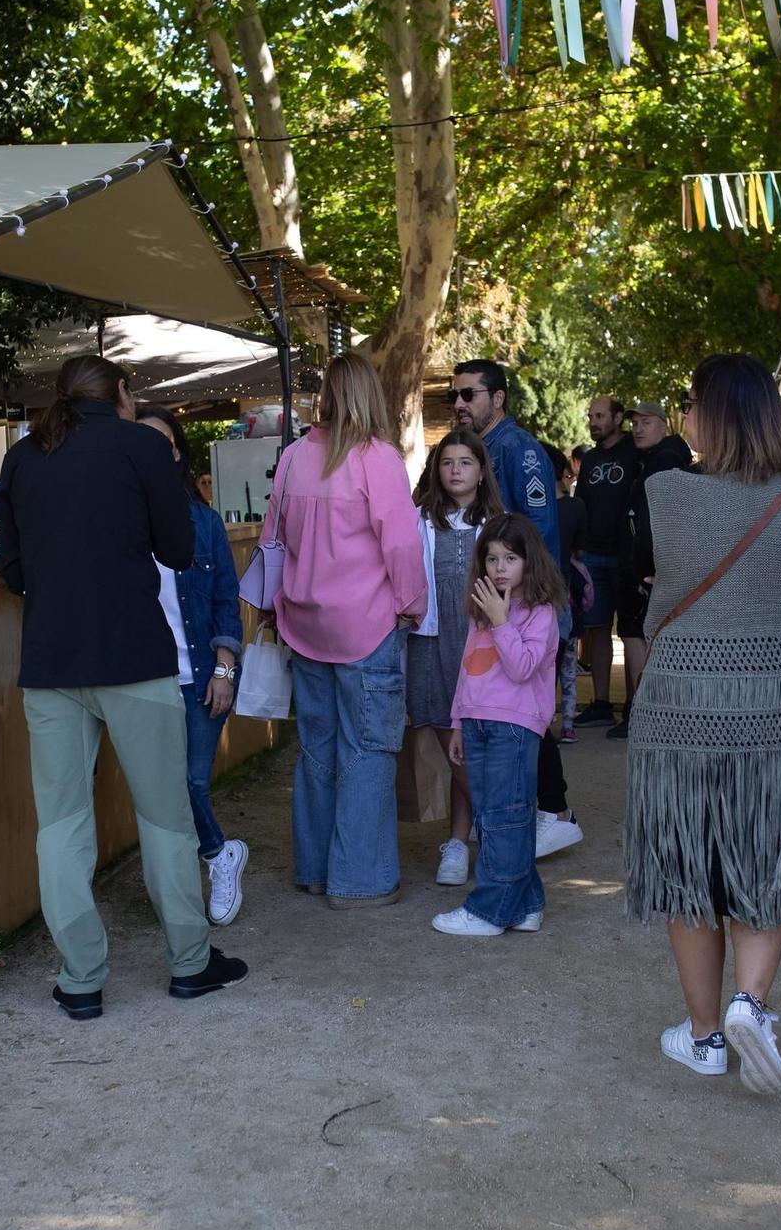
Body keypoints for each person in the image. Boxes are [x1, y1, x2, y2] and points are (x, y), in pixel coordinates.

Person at [0, 354, 246, 1021]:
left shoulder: (23, 457)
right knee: (164, 817)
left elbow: (11, 568)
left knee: (62, 826)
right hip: (136, 659)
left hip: (50, 664)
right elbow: (179, 550)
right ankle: (191, 962)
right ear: (122, 393)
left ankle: (81, 977)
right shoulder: (140, 448)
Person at [625, 354, 781, 1094]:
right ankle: (751, 1001)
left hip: (677, 707)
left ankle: (706, 1036)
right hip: (771, 706)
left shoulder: (662, 491)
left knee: (689, 865)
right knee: (769, 850)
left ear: (709, 414)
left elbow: (644, 577)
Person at [269, 352, 428, 907]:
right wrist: (412, 602)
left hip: (304, 623)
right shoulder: (376, 458)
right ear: (369, 395)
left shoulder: (292, 458)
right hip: (366, 625)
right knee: (368, 749)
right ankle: (359, 879)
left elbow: (274, 540)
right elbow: (402, 543)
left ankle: (315, 869)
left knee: (317, 748)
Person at [449, 359, 581, 857]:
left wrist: (517, 604)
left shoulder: (521, 451)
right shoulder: (482, 448)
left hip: (528, 608)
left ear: (498, 398)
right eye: (455, 396)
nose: (460, 404)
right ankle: (531, 815)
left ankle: (556, 813)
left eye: (470, 394)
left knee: (531, 713)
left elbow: (538, 535)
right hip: (497, 607)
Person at [135, 405, 250, 928]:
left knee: (188, 782)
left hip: (202, 675)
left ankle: (217, 855)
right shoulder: (116, 524)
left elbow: (228, 598)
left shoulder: (203, 522)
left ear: (178, 452)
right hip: (142, 677)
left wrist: (225, 669)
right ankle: (192, 872)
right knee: (160, 788)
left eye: (164, 441)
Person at [432, 513, 565, 937]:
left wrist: (503, 619)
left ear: (530, 562)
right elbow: (468, 670)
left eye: (510, 558)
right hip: (477, 722)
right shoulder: (482, 613)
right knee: (496, 817)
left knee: (506, 817)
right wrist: (457, 722)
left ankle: (489, 911)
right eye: (491, 559)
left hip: (514, 727)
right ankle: (527, 904)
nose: (499, 568)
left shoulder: (540, 613)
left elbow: (523, 667)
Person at [406, 428, 504, 888]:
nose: (455, 471)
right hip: (433, 641)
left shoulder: (500, 523)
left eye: (465, 462)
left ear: (482, 470)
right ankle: (480, 834)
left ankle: (465, 839)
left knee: (475, 743)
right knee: (454, 746)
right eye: (447, 463)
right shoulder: (420, 517)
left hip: (482, 644)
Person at [613, 399, 695, 740]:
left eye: (646, 421)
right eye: (635, 422)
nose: (638, 428)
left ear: (665, 424)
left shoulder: (665, 462)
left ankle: (647, 713)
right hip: (645, 565)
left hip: (651, 569)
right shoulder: (650, 461)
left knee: (638, 635)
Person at [573, 396, 640, 728]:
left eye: (600, 415)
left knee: (630, 633)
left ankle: (633, 705)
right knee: (596, 630)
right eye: (591, 416)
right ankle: (600, 702)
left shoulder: (634, 452)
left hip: (626, 557)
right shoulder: (589, 460)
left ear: (618, 417)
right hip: (592, 556)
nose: (594, 421)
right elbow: (580, 503)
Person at [546, 441, 586, 745]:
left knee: (557, 661)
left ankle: (557, 721)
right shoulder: (573, 507)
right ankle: (563, 721)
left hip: (561, 592)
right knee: (560, 662)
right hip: (562, 588)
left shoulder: (558, 508)